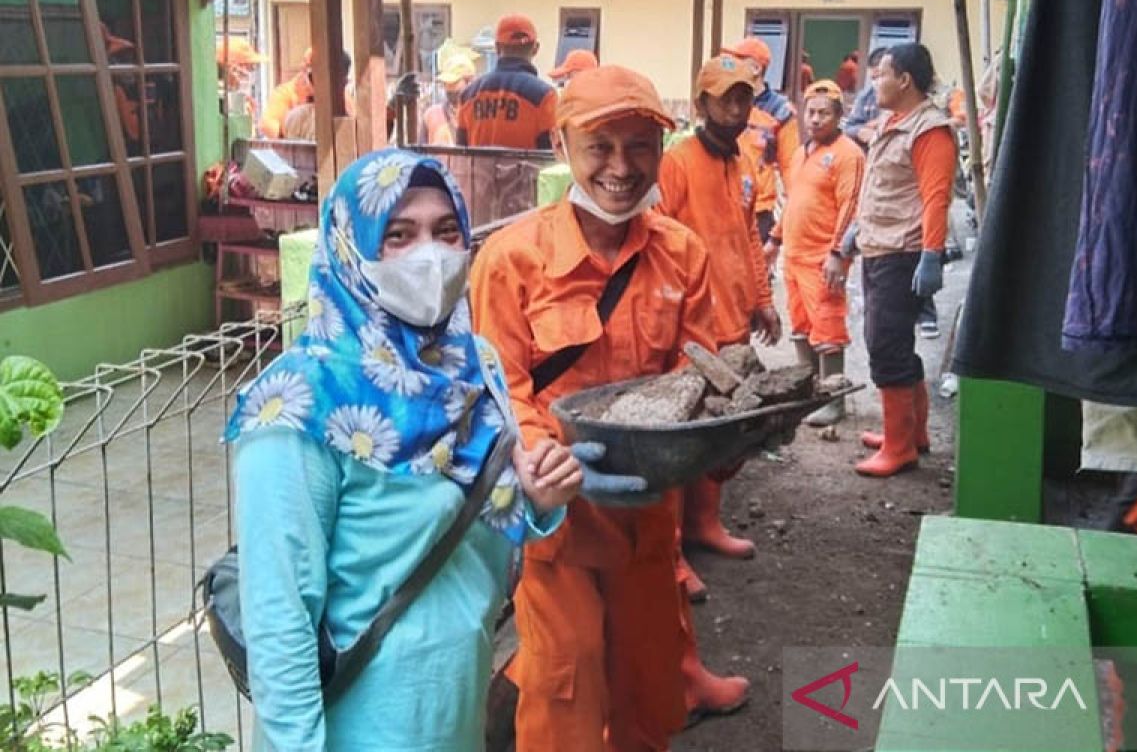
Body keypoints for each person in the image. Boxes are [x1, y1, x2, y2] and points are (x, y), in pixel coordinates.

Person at [230, 150, 581, 750]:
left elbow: (482, 524)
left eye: (447, 232)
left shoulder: (475, 366)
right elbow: (279, 619)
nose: (431, 255)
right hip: (358, 727)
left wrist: (539, 500)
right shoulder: (301, 406)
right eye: (399, 235)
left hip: (455, 708)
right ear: (352, 247)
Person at [471, 64, 739, 750]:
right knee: (566, 693)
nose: (622, 168)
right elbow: (501, 391)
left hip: (652, 524)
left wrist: (733, 436)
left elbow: (703, 376)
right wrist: (549, 459)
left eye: (640, 146)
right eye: (601, 147)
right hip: (557, 530)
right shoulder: (511, 261)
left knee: (648, 687)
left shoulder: (681, 254)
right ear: (562, 146)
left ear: (659, 149)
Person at [658, 54, 782, 597]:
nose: (736, 106)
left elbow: (749, 236)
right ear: (703, 102)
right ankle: (672, 549)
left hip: (733, 320)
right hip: (690, 325)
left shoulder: (746, 161)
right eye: (726, 96)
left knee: (719, 435)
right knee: (680, 440)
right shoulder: (678, 162)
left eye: (745, 96)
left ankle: (706, 525)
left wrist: (763, 299)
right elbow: (659, 239)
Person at [846, 42, 955, 477]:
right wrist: (855, 231)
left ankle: (899, 448)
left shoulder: (929, 130)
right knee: (894, 343)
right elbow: (882, 186)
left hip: (902, 253)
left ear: (904, 80)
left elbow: (935, 198)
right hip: (880, 246)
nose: (874, 83)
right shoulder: (895, 122)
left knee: (886, 346)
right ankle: (912, 433)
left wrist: (931, 255)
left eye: (880, 75)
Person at [764, 80, 864, 428]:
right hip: (794, 256)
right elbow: (792, 202)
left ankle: (833, 401)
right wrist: (774, 240)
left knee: (827, 325)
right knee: (802, 326)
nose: (816, 119)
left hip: (824, 257)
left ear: (839, 116)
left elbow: (850, 207)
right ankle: (811, 394)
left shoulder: (849, 154)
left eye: (824, 113)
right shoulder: (802, 152)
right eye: (811, 112)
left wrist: (838, 253)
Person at [723, 37, 802, 244]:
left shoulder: (781, 112)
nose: (729, 64)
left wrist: (789, 218)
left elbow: (790, 165)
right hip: (723, 202)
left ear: (755, 68)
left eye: (736, 60)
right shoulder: (724, 103)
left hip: (759, 209)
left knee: (757, 271)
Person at [457, 14, 557, 149]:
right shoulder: (545, 96)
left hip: (477, 171)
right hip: (528, 171)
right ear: (535, 49)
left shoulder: (468, 95)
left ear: (497, 48)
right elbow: (551, 154)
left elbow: (461, 154)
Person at [260, 47, 352, 139]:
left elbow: (353, 119)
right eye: (309, 68)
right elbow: (268, 125)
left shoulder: (343, 96)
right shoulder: (286, 94)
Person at [420, 53, 476, 145]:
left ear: (469, 82)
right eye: (446, 83)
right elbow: (420, 154)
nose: (449, 87)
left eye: (454, 82)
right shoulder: (431, 115)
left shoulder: (479, 117)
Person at [842, 46, 889, 149]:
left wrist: (882, 122)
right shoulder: (866, 96)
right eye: (873, 78)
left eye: (880, 77)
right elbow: (848, 128)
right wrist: (860, 131)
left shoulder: (905, 98)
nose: (877, 83)